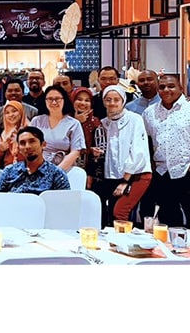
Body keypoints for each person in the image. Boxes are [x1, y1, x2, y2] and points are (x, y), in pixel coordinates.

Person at [91, 85, 151, 227]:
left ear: (123, 100)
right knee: (110, 213)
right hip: (113, 177)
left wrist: (125, 181)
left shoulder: (135, 119)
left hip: (136, 174)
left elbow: (138, 151)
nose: (112, 103)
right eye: (108, 99)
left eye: (116, 99)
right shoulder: (104, 123)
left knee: (120, 212)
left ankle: (125, 244)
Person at [142, 73, 190, 227]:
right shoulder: (149, 113)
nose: (166, 90)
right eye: (162, 87)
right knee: (169, 218)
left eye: (171, 86)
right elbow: (146, 142)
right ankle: (174, 250)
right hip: (162, 173)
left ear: (180, 88)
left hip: (186, 170)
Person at [0, 126, 71, 194]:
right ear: (19, 149)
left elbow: (65, 204)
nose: (27, 146)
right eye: (23, 143)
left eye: (32, 141)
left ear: (43, 145)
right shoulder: (9, 171)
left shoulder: (56, 174)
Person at [29, 85, 85, 171]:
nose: (54, 102)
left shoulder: (74, 124)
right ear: (45, 101)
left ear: (64, 100)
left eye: (57, 99)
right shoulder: (36, 121)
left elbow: (76, 152)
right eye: (50, 99)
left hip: (65, 168)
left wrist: (57, 171)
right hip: (38, 168)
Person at [70, 87, 104, 190]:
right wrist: (75, 122)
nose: (83, 103)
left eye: (87, 100)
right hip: (66, 167)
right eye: (79, 99)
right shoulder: (64, 120)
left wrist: (90, 173)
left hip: (89, 170)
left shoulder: (95, 122)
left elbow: (99, 149)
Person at [0, 100, 28, 168]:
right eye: (7, 113)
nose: (11, 115)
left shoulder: (30, 131)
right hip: (7, 170)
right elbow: (0, 157)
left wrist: (19, 143)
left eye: (14, 111)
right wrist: (1, 150)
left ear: (21, 112)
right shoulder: (4, 133)